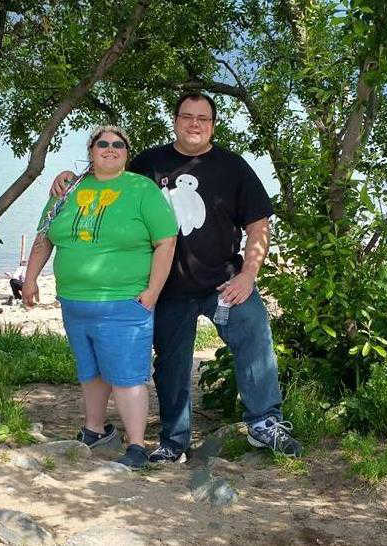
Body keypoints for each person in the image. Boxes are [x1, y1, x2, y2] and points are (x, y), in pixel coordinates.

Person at [51, 93, 302, 461]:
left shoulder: (232, 167)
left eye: (203, 118)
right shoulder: (150, 162)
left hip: (224, 282)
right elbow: (109, 173)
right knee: (170, 364)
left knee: (255, 341)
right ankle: (174, 440)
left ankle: (264, 423)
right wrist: (71, 177)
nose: (195, 124)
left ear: (213, 124)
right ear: (175, 121)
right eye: (187, 117)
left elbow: (258, 223)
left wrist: (249, 274)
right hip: (168, 288)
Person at [23, 125, 177, 469]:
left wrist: (152, 292)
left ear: (126, 152)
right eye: (102, 143)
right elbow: (45, 235)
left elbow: (166, 241)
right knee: (90, 371)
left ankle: (136, 446)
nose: (110, 148)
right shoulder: (69, 188)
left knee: (127, 375)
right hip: (75, 301)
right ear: (91, 151)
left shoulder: (141, 189)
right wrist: (30, 278)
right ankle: (95, 430)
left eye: (118, 144)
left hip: (124, 302)